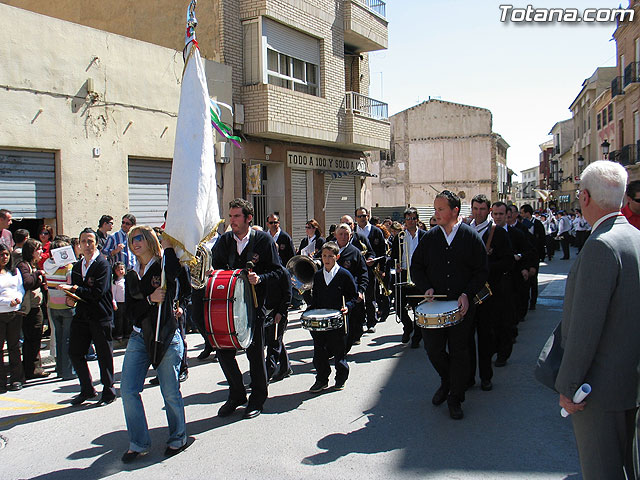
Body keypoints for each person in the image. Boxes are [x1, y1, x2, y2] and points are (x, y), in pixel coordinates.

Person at [555, 161, 640, 480]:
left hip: (598, 391)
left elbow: (584, 327)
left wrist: (568, 385)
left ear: (586, 197)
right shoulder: (634, 236)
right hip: (630, 383)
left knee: (602, 470)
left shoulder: (601, 245)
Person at [411, 190, 488, 420]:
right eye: (435, 209)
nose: (436, 214)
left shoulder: (470, 236)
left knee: (459, 352)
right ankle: (448, 380)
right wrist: (426, 287)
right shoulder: (429, 238)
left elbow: (482, 270)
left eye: (440, 209)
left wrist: (467, 293)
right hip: (435, 307)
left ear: (455, 211)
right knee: (432, 349)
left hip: (462, 306)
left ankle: (455, 397)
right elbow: (417, 268)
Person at [120, 227, 188, 462]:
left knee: (169, 392)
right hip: (139, 337)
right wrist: (150, 299)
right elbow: (130, 312)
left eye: (139, 238)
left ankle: (178, 437)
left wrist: (168, 246)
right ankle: (138, 442)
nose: (134, 242)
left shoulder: (163, 266)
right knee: (128, 390)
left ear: (149, 240)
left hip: (165, 336)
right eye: (131, 239)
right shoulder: (131, 275)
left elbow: (181, 280)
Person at [211, 198, 281, 419]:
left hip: (254, 306)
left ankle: (257, 399)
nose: (232, 221)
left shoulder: (263, 241)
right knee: (223, 351)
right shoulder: (223, 242)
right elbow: (215, 270)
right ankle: (237, 394)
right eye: (230, 216)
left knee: (255, 354)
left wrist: (259, 279)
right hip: (228, 307)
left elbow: (279, 273)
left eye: (236, 217)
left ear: (249, 218)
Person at [58, 228, 115, 406]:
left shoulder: (102, 264)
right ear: (79, 245)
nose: (87, 245)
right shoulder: (76, 266)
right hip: (82, 315)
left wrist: (75, 290)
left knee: (104, 355)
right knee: (75, 352)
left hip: (100, 315)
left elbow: (98, 292)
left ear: (96, 243)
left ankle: (108, 391)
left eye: (90, 241)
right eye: (83, 241)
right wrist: (70, 299)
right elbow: (79, 293)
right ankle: (87, 389)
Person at [468, 196, 513, 392]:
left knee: (485, 338)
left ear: (489, 211)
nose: (479, 212)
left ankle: (486, 377)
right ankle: (468, 377)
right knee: (466, 340)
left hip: (488, 294)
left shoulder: (499, 234)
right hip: (467, 293)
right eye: (476, 208)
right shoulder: (464, 231)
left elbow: (508, 262)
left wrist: (486, 267)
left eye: (482, 209)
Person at [306, 242, 357, 393]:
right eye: (324, 256)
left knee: (339, 352)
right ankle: (321, 379)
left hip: (338, 320)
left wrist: (348, 306)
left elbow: (353, 296)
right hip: (320, 321)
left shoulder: (344, 275)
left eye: (330, 256)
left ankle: (341, 378)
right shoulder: (317, 276)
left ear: (337, 257)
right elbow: (315, 299)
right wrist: (308, 308)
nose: (326, 259)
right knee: (319, 352)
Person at [390, 208, 426, 346]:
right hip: (403, 274)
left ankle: (417, 336)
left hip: (419, 274)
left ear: (417, 219)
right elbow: (393, 256)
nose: (410, 221)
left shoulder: (425, 236)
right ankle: (407, 326)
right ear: (404, 221)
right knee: (398, 305)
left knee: (419, 307)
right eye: (408, 218)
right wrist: (397, 265)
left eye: (413, 218)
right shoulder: (400, 237)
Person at [43, 238, 76, 380]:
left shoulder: (47, 266)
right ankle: (68, 371)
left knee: (59, 338)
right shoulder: (68, 268)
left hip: (53, 305)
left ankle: (60, 369)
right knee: (68, 339)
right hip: (66, 306)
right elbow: (71, 286)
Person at [16, 239, 49, 380]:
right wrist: (38, 274)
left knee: (35, 338)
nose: (41, 252)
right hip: (30, 309)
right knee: (32, 339)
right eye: (38, 249)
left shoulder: (32, 266)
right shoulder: (24, 266)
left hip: (36, 306)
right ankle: (31, 368)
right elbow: (28, 283)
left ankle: (34, 367)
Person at [333, 223, 368, 350]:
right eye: (340, 234)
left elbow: (363, 273)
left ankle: (345, 348)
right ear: (335, 235)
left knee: (351, 324)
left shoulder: (355, 252)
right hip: (333, 292)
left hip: (350, 293)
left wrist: (361, 290)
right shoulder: (330, 249)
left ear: (351, 235)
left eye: (346, 234)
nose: (343, 237)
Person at [354, 207, 386, 334]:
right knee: (358, 297)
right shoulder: (353, 232)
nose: (362, 218)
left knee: (370, 297)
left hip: (371, 269)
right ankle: (361, 321)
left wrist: (381, 268)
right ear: (356, 218)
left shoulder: (376, 231)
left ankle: (371, 322)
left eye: (364, 215)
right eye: (359, 216)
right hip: (357, 271)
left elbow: (383, 252)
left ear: (368, 216)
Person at [0, 243, 25, 392]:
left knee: (14, 347)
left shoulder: (14, 272)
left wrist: (17, 299)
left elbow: (20, 289)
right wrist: (5, 302)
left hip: (14, 313)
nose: (4, 257)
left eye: (6, 255)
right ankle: (1, 381)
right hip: (1, 313)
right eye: (1, 254)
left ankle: (16, 379)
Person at [264, 264, 293, 383]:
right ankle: (285, 368)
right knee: (276, 339)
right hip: (267, 311)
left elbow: (287, 295)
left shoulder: (283, 272)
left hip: (278, 313)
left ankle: (267, 372)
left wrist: (281, 313)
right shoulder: (264, 270)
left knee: (274, 343)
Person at [111, 262, 127, 347]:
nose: (120, 271)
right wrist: (114, 302)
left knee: (126, 318)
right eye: (118, 270)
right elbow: (113, 294)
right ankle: (118, 334)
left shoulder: (126, 280)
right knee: (119, 320)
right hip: (119, 303)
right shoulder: (115, 282)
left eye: (122, 269)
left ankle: (127, 333)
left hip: (126, 302)